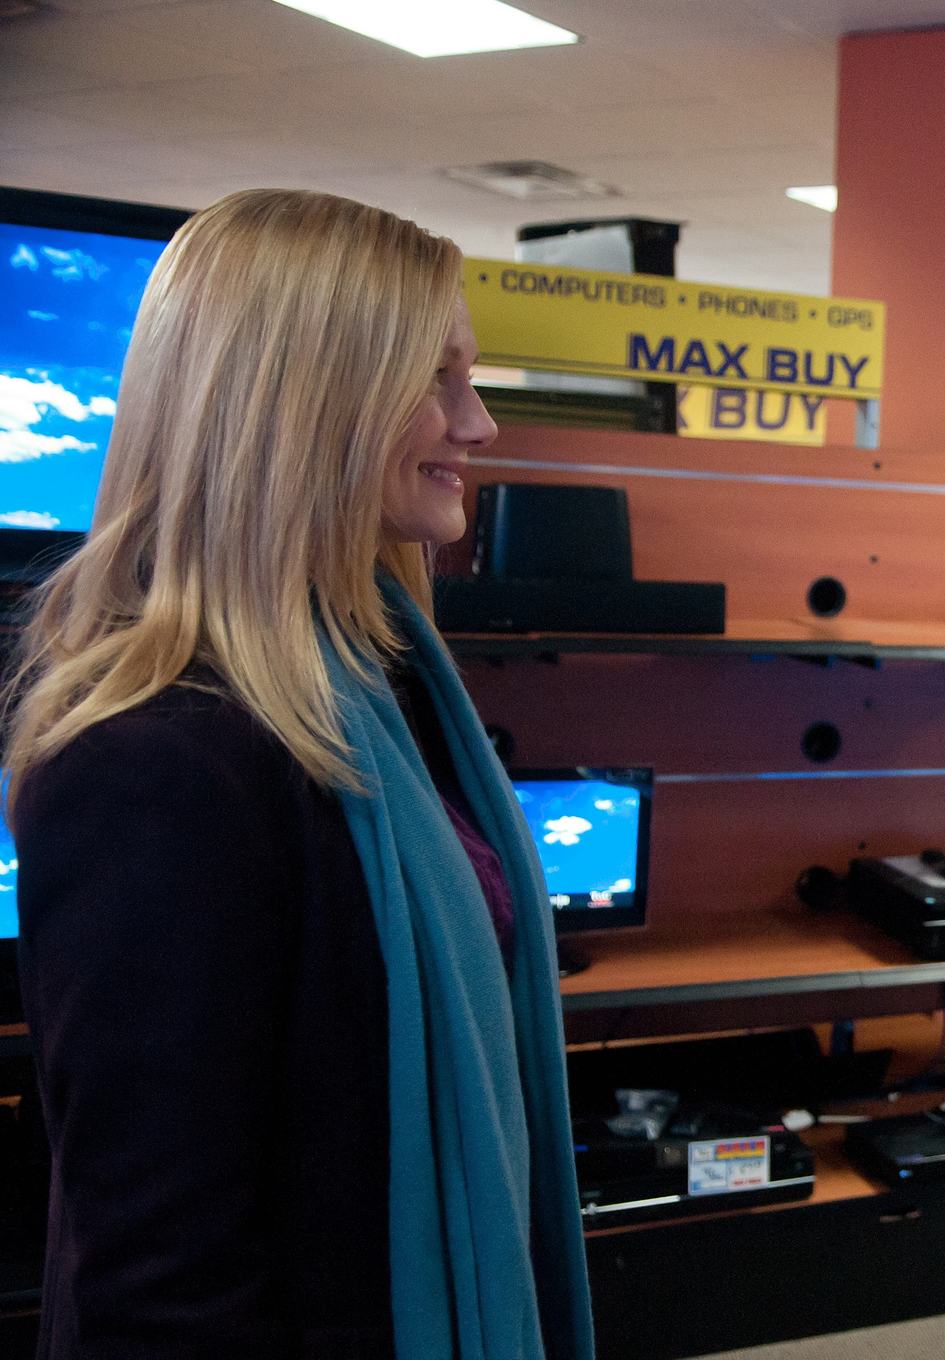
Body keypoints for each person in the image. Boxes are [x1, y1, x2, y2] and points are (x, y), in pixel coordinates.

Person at [5, 189, 595, 1359]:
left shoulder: (386, 683)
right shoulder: (151, 761)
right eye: (434, 380)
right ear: (304, 406)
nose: (476, 425)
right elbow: (159, 1284)